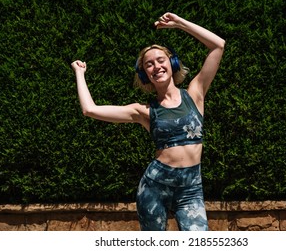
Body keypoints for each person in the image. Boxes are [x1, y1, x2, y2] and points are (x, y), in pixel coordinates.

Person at [71, 12, 225, 231]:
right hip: (154, 188)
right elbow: (90, 110)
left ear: (172, 63)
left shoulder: (195, 94)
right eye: (148, 65)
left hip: (191, 189)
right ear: (145, 75)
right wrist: (80, 73)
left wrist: (180, 24)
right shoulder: (143, 111)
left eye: (161, 60)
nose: (156, 67)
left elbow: (218, 46)